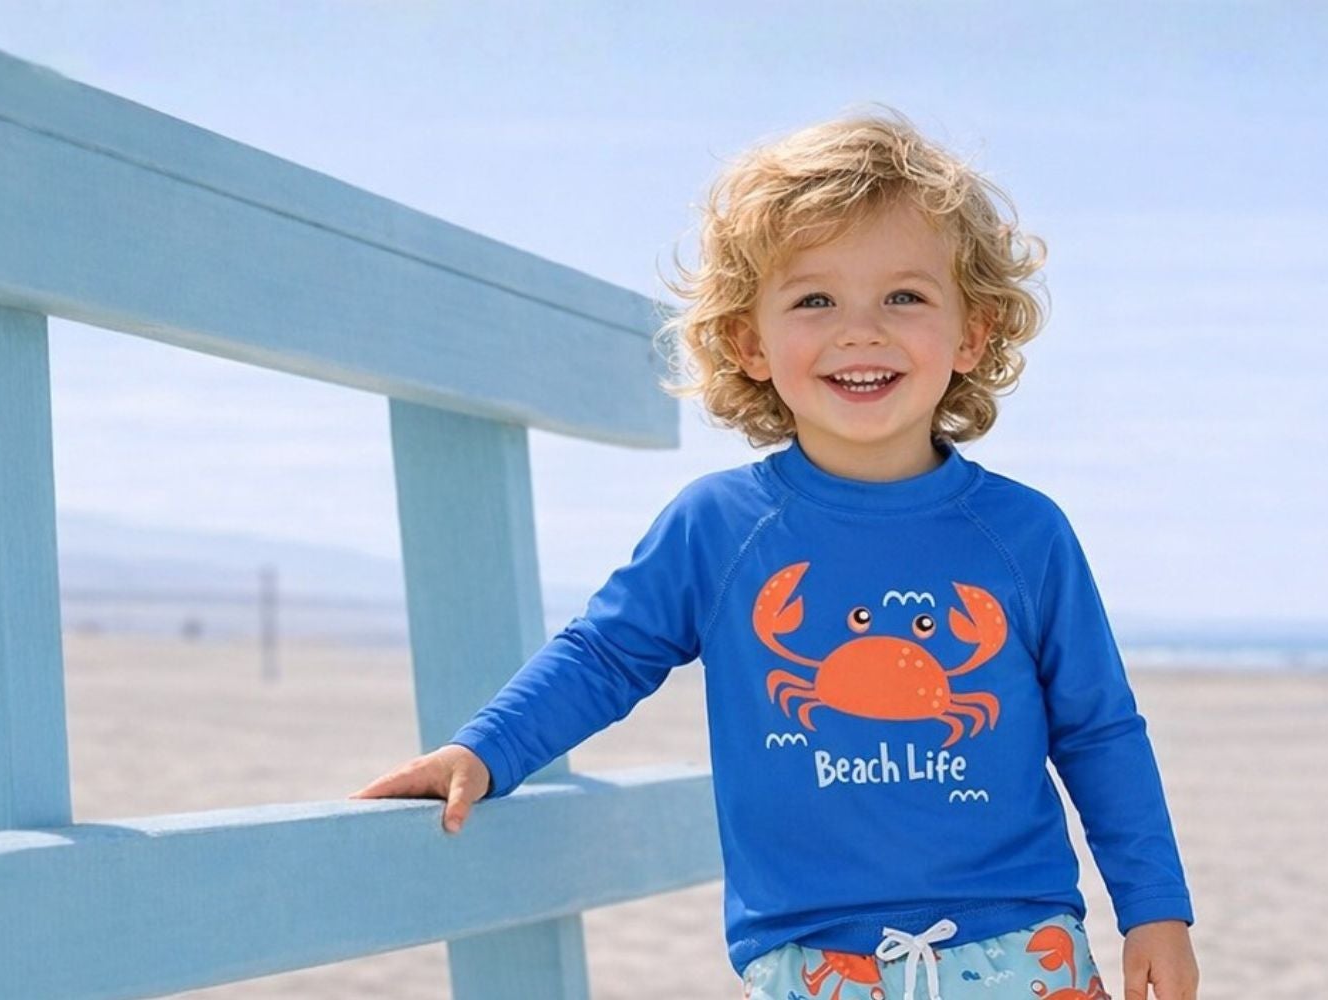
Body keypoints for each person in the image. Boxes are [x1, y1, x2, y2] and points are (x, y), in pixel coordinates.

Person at [353, 106, 1200, 1000]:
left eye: (904, 297)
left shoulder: (1025, 534)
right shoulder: (718, 527)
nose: (860, 331)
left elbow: (1099, 730)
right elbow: (604, 655)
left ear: (973, 332)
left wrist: (1155, 908)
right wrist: (485, 750)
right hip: (804, 961)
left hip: (1019, 947)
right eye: (814, 300)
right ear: (749, 342)